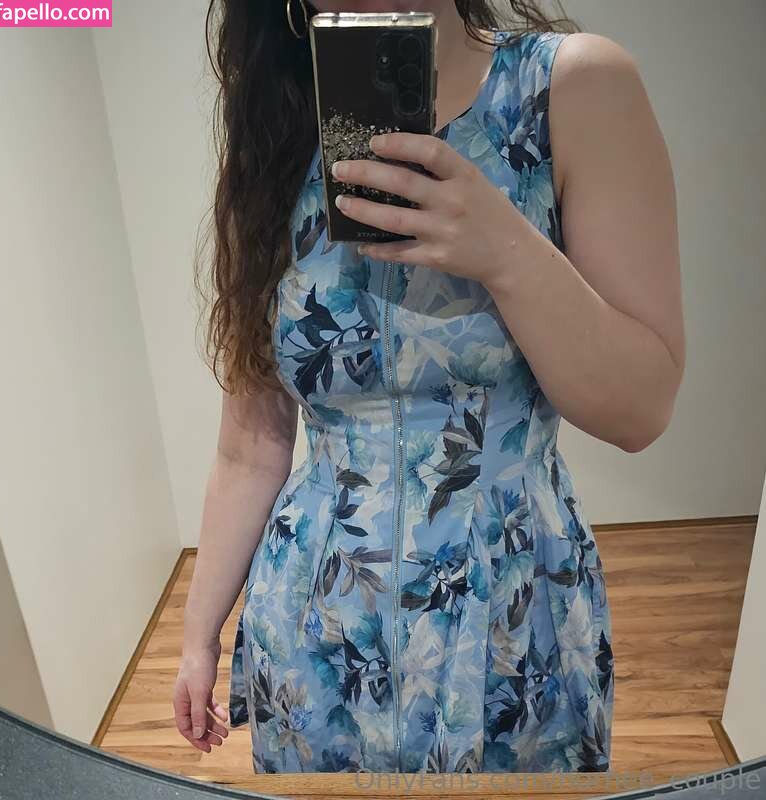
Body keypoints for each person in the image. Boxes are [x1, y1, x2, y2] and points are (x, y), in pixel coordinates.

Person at [173, 0, 684, 774]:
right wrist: (197, 636)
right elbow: (250, 444)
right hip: (316, 626)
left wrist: (505, 249)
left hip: (509, 613)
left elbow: (640, 409)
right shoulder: (280, 125)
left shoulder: (572, 88)